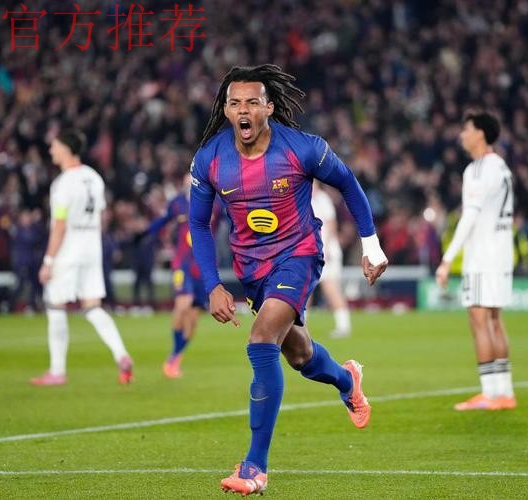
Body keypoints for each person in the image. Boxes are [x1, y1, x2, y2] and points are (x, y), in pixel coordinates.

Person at [188, 65, 388, 496]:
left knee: (261, 341)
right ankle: (346, 380)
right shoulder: (210, 159)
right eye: (235, 103)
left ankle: (254, 468)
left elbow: (348, 184)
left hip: (298, 256)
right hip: (252, 270)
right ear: (226, 110)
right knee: (299, 355)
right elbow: (199, 224)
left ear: (269, 108)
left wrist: (371, 244)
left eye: (252, 102)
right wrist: (212, 285)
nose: (243, 110)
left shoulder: (303, 148)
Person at [31, 129, 134, 386]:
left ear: (66, 149)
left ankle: (57, 371)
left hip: (69, 247)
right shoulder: (94, 178)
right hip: (91, 245)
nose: (51, 150)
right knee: (92, 306)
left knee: (55, 305)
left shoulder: (63, 183)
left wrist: (48, 261)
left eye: (54, 146)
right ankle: (121, 354)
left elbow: (59, 225)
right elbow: (101, 216)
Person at [435, 111, 517, 411]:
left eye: (466, 129)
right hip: (502, 252)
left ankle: (490, 393)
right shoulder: (502, 167)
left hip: (483, 255)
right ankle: (504, 392)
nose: (462, 135)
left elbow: (470, 216)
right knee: (494, 320)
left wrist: (446, 260)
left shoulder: (479, 169)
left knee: (479, 321)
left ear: (480, 133)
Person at [137, 172, 209, 379]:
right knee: (182, 304)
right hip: (182, 263)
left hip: (203, 267)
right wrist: (144, 234)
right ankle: (173, 357)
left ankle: (175, 357)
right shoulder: (177, 203)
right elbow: (163, 220)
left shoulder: (214, 202)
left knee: (193, 319)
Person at [310, 181, 352, 338]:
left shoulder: (322, 199)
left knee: (331, 288)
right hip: (312, 252)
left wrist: (326, 248)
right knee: (305, 290)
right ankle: (300, 327)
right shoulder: (307, 200)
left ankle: (343, 326)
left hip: (327, 252)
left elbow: (331, 224)